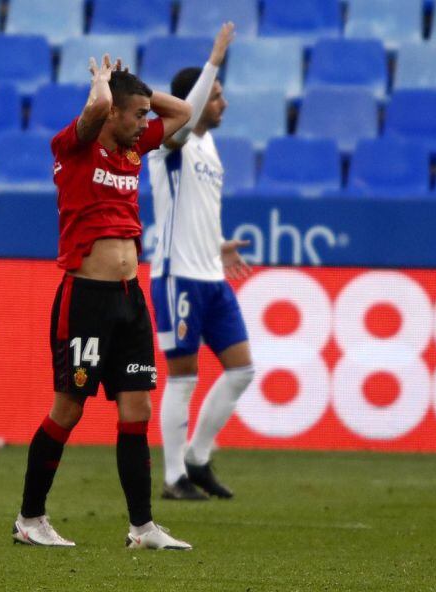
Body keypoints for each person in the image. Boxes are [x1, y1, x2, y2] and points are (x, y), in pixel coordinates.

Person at [12, 55, 194, 549]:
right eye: (135, 115)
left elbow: (182, 114)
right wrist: (104, 85)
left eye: (142, 115)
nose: (144, 123)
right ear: (111, 111)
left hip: (129, 299)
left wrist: (139, 91)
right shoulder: (73, 147)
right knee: (68, 408)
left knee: (137, 408)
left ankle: (142, 527)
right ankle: (30, 519)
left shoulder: (132, 153)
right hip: (86, 299)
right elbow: (94, 111)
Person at [147, 23, 256, 501]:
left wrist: (219, 245)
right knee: (184, 376)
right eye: (215, 95)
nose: (223, 103)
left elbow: (199, 210)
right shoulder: (171, 142)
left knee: (242, 370)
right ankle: (173, 477)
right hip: (177, 278)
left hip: (210, 275)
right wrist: (214, 58)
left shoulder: (209, 147)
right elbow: (184, 121)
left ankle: (197, 458)